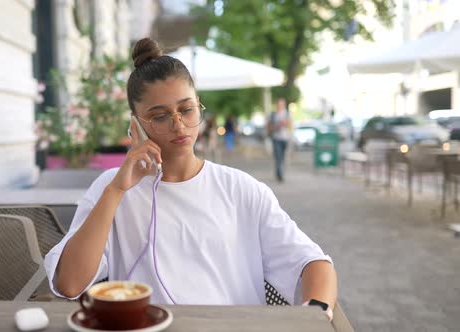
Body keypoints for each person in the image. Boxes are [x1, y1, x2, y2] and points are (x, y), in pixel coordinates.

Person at [44, 38, 337, 318]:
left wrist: (318, 312)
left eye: (186, 109)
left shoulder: (240, 189)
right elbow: (70, 284)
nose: (178, 125)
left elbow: (312, 262)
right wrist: (117, 190)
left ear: (199, 105)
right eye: (160, 116)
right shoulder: (112, 188)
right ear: (135, 124)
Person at [267, 98, 292, 182]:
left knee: (283, 157)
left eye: (281, 104)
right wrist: (277, 125)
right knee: (278, 157)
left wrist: (284, 123)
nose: (280, 106)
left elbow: (290, 124)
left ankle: (280, 172)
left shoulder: (287, 113)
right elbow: (269, 126)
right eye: (279, 104)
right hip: (276, 138)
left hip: (285, 138)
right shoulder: (273, 114)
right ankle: (280, 175)